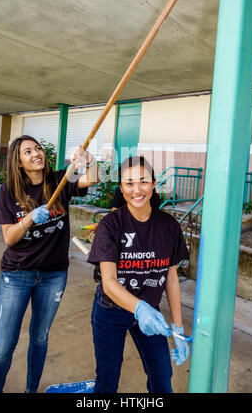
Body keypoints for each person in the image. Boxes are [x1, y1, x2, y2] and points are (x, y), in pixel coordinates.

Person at [0, 135, 98, 393]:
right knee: (4, 347)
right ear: (18, 163)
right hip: (17, 274)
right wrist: (28, 220)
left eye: (37, 148)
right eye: (28, 152)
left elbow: (91, 179)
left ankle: (31, 390)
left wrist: (89, 159)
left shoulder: (59, 181)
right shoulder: (9, 191)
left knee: (39, 338)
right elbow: (9, 238)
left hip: (54, 275)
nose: (36, 153)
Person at [87, 155, 189, 393]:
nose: (137, 189)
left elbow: (171, 278)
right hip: (111, 311)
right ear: (121, 189)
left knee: (163, 379)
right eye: (129, 183)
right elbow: (109, 282)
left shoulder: (169, 226)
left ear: (154, 184)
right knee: (107, 380)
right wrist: (138, 308)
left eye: (143, 181)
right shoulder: (110, 225)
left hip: (151, 314)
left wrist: (178, 328)